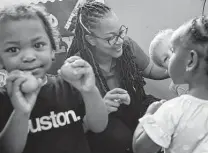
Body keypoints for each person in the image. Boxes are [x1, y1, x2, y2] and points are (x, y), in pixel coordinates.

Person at [0, 3, 108, 153]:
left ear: (52, 49)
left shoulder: (68, 86)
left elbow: (98, 126)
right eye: (13, 49)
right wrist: (21, 112)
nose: (29, 57)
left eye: (38, 45)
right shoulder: (4, 98)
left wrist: (90, 91)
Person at [67, 1, 169, 153]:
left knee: (165, 114)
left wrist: (177, 66)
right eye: (111, 38)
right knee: (119, 137)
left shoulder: (128, 47)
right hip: (104, 128)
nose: (120, 40)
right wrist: (99, 109)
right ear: (91, 39)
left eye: (121, 32)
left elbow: (151, 70)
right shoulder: (76, 68)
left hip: (136, 108)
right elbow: (71, 129)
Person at [133, 15, 208, 153]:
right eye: (164, 59)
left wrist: (149, 115)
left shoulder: (171, 110)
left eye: (172, 50)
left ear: (191, 60)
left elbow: (141, 148)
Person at [149, 29, 189, 96]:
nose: (172, 56)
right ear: (166, 69)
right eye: (165, 59)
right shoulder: (176, 86)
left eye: (173, 49)